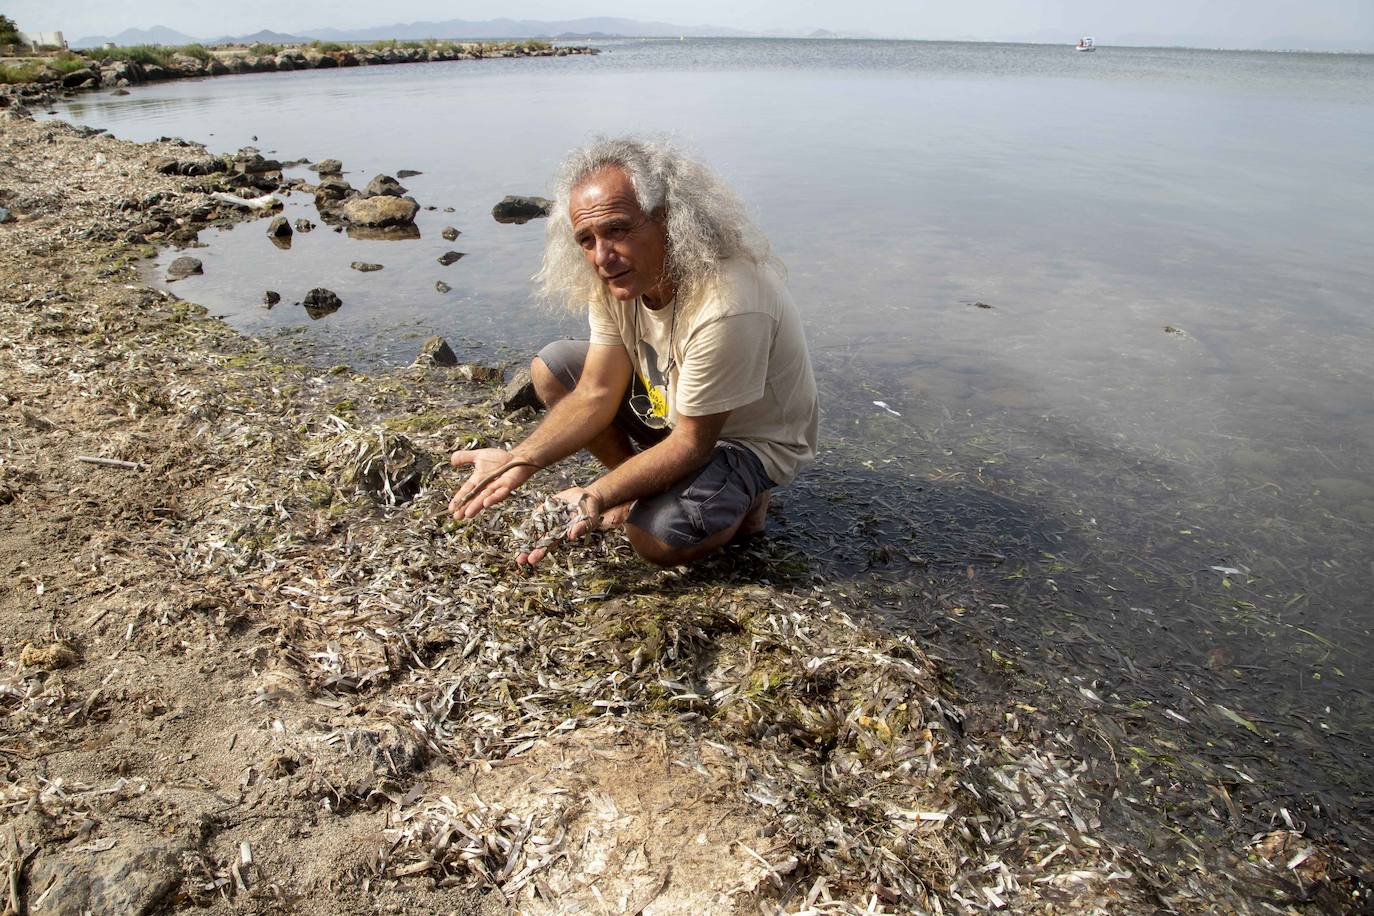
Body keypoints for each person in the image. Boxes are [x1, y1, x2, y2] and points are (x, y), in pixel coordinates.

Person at [449, 137, 817, 566]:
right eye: (586, 239)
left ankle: (746, 497)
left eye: (618, 229)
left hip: (743, 439)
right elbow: (594, 394)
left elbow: (693, 443)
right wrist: (520, 459)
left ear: (667, 219)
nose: (602, 255)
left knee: (656, 538)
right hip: (679, 412)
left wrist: (594, 496)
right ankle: (644, 491)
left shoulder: (727, 303)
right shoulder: (618, 278)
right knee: (554, 369)